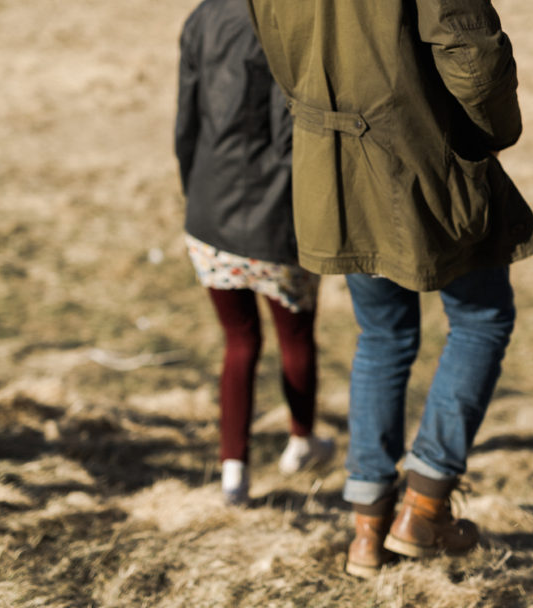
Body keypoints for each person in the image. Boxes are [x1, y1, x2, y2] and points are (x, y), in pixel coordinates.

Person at [245, 0, 533, 575]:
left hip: (334, 168)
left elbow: (276, 46)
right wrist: (492, 133)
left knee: (381, 334)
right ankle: (424, 506)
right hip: (422, 159)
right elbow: (472, 52)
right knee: (482, 320)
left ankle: (367, 529)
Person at [174, 0, 334, 506]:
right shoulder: (298, 21)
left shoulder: (203, 16)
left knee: (238, 341)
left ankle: (233, 473)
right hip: (278, 218)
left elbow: (187, 119)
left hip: (211, 206)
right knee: (296, 333)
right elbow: (293, 136)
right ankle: (301, 440)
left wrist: (193, 189)